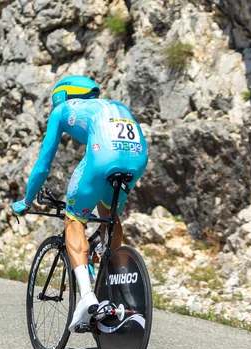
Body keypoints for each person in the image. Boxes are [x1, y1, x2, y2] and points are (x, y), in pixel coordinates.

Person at [11, 75, 149, 332]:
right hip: (137, 158)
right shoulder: (113, 106)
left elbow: (43, 165)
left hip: (103, 154)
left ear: (61, 97)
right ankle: (114, 283)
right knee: (109, 218)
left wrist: (27, 200)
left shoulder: (62, 109)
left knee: (74, 218)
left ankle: (86, 297)